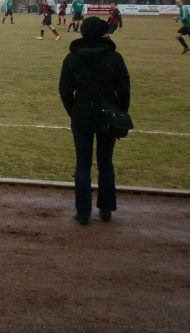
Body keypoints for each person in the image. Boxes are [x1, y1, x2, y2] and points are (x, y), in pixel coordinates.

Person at [59, 16, 130, 225]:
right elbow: (124, 90)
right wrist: (120, 113)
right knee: (105, 163)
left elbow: (65, 91)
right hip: (108, 114)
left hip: (82, 113)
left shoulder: (72, 58)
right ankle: (106, 209)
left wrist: (74, 111)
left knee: (83, 164)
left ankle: (83, 213)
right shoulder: (114, 58)